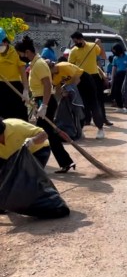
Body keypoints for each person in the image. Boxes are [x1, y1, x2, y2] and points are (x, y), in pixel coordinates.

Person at [15, 36, 75, 174]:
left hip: (45, 100)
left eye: (21, 54)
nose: (21, 57)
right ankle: (66, 161)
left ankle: (37, 164)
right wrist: (27, 95)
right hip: (40, 100)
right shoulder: (35, 64)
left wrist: (45, 106)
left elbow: (47, 86)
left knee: (41, 133)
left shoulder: (40, 64)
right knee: (48, 134)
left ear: (28, 51)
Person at [48, 60, 105, 139]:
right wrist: (62, 93)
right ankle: (79, 130)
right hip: (73, 87)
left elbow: (77, 79)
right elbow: (57, 88)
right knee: (78, 108)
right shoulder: (53, 76)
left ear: (53, 66)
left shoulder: (63, 66)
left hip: (84, 81)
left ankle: (100, 128)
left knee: (93, 105)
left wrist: (69, 90)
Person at [68, 32, 111, 126]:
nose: (76, 43)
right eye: (74, 42)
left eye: (76, 41)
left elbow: (103, 56)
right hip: (82, 77)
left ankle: (103, 119)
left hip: (94, 76)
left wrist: (100, 45)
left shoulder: (92, 46)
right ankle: (87, 119)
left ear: (81, 39)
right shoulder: (74, 51)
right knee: (84, 100)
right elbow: (70, 66)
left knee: (99, 99)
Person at [0, 27, 30, 121]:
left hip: (15, 87)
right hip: (0, 87)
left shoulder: (16, 53)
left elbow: (23, 73)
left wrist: (25, 89)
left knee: (18, 116)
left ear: (5, 42)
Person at [110, 43, 127, 113]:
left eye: (114, 51)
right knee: (117, 91)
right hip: (119, 75)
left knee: (126, 92)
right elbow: (114, 68)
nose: (113, 52)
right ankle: (120, 106)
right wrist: (112, 78)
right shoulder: (115, 58)